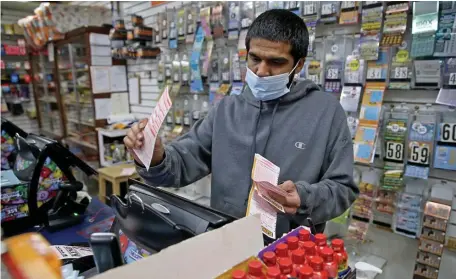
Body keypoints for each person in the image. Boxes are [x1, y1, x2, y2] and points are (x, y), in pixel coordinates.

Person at [124, 9, 358, 235]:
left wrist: (305, 198)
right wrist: (155, 158)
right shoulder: (226, 110)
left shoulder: (326, 113)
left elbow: (343, 189)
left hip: (290, 255)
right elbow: (182, 163)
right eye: (254, 58)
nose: (262, 71)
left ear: (299, 64)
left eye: (276, 62)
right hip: (227, 243)